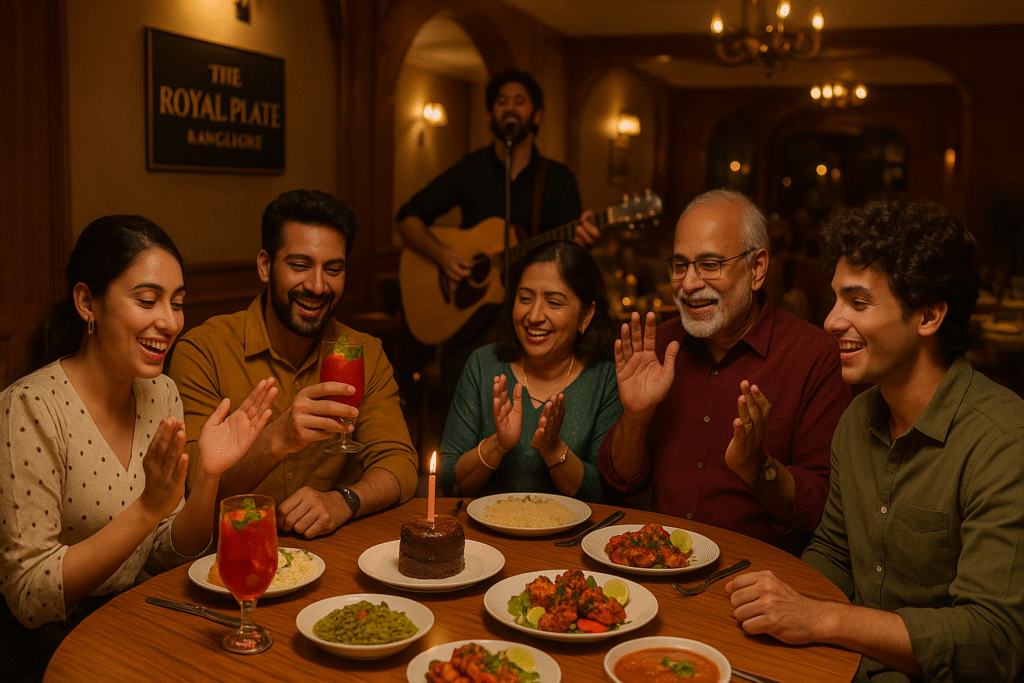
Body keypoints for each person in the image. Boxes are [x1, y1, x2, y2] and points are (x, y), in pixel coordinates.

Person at [727, 199, 1024, 682]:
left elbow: (993, 643)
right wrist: (777, 599)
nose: (831, 321)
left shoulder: (1004, 443)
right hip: (841, 667)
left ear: (928, 317)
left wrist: (823, 618)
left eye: (858, 303)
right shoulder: (859, 416)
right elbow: (835, 553)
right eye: (835, 299)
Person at [0, 216, 276, 682]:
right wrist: (148, 508)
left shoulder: (160, 392)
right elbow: (31, 596)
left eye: (178, 303)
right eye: (147, 300)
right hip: (51, 648)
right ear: (88, 302)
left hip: (137, 617)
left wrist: (208, 476)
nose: (169, 322)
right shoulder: (30, 408)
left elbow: (169, 552)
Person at [599, 190, 851, 554]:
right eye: (680, 265)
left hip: (752, 578)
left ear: (757, 268)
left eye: (710, 265)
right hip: (654, 565)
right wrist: (635, 418)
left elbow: (821, 510)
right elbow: (616, 483)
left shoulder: (813, 357)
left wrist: (758, 467)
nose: (688, 284)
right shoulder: (656, 346)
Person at [169, 190, 418, 540]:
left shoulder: (364, 352)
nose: (317, 286)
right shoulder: (202, 350)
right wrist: (276, 439)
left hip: (332, 555)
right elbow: (192, 489)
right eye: (300, 266)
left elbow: (400, 465)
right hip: (231, 556)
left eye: (333, 269)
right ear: (265, 266)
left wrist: (344, 500)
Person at [395, 67, 600, 409]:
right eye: (502, 101)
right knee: (459, 399)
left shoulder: (558, 180)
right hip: (471, 327)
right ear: (490, 113)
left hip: (534, 323)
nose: (510, 108)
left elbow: (570, 259)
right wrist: (444, 255)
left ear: (536, 115)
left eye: (520, 102)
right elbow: (407, 218)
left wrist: (583, 240)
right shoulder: (471, 169)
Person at [440, 241, 620, 501]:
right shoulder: (483, 364)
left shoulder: (605, 378)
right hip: (485, 533)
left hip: (570, 539)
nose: (534, 316)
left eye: (554, 303)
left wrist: (552, 448)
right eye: (525, 299)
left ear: (586, 315)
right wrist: (498, 445)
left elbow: (603, 494)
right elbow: (450, 479)